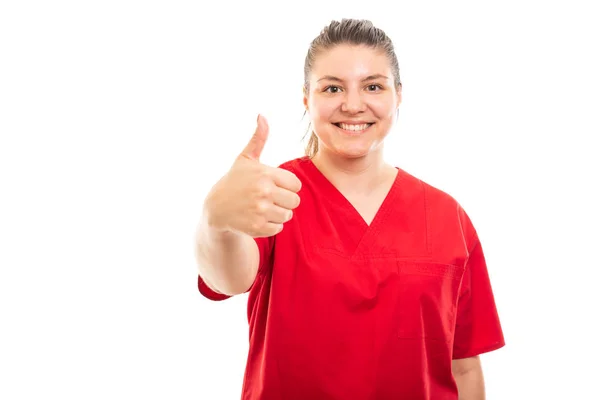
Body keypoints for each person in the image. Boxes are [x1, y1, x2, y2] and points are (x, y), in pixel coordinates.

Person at [195, 18, 505, 400]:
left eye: (373, 86)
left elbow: (464, 364)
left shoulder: (446, 216)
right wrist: (216, 220)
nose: (353, 104)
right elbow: (228, 279)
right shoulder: (272, 195)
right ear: (307, 98)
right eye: (333, 88)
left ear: (398, 95)